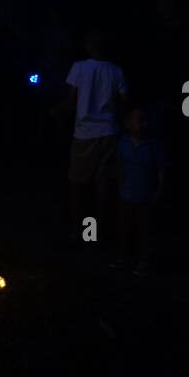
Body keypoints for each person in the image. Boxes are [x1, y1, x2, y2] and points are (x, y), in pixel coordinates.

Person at [65, 28, 127, 247]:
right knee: (103, 184)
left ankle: (80, 231)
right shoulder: (115, 70)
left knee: (79, 184)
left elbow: (72, 99)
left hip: (84, 133)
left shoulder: (79, 68)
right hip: (109, 131)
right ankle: (98, 231)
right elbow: (123, 101)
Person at [112, 105, 167, 275]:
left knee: (144, 232)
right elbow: (119, 168)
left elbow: (162, 170)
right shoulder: (122, 145)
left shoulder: (154, 145)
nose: (143, 124)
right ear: (128, 124)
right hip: (126, 196)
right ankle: (123, 259)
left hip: (145, 197)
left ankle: (143, 261)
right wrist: (119, 189)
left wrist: (159, 191)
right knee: (124, 229)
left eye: (144, 121)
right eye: (139, 120)